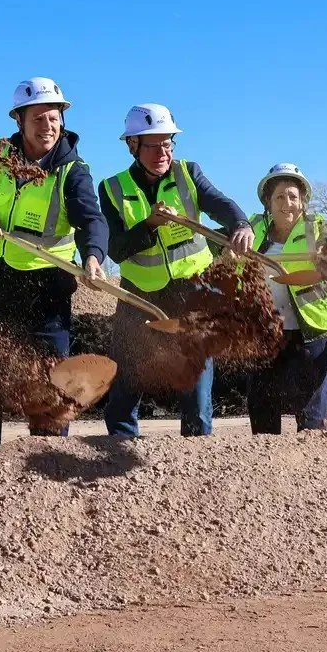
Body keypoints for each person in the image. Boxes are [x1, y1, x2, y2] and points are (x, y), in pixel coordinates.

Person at [0, 77, 108, 459]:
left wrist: (93, 256)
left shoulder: (72, 171)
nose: (48, 126)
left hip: (46, 295)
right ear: (19, 119)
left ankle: (47, 471)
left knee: (51, 391)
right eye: (38, 118)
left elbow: (91, 220)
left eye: (54, 118)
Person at [99, 103, 252, 437]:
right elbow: (116, 248)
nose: (163, 153)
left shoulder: (188, 173)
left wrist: (241, 224)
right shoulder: (112, 188)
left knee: (196, 384)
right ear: (133, 145)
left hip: (193, 292)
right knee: (126, 382)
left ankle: (196, 451)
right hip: (138, 296)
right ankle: (118, 449)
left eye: (168, 144)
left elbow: (221, 204)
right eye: (153, 145)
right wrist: (149, 225)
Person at [245, 163, 327, 434]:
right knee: (262, 408)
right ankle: (265, 455)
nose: (287, 204)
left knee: (311, 418)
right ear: (268, 202)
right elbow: (230, 253)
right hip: (264, 330)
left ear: (303, 201)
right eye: (279, 197)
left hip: (309, 330)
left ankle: (311, 456)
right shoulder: (254, 228)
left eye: (293, 197)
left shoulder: (317, 227)